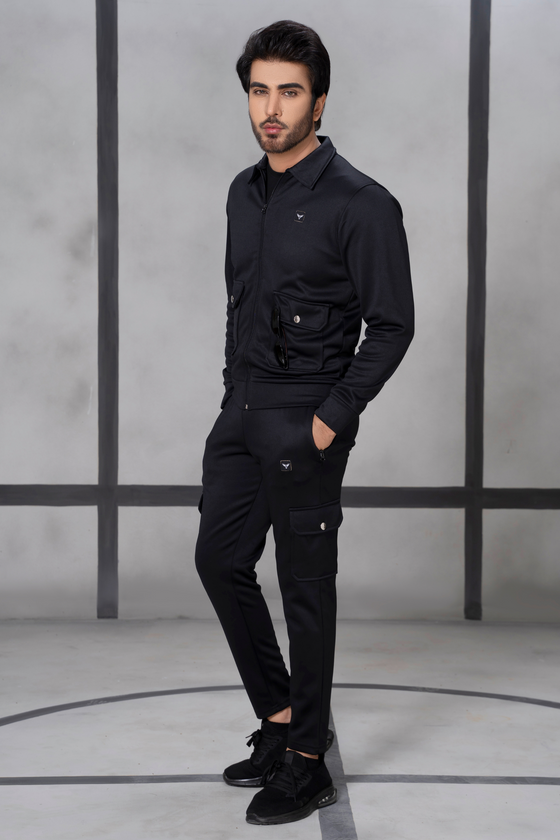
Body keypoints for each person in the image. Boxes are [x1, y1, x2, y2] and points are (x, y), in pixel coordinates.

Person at [195, 19, 414, 826]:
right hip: (243, 410)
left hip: (307, 415)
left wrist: (330, 420)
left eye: (289, 92)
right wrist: (232, 393)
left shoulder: (362, 203)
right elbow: (239, 302)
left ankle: (309, 762)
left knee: (304, 588)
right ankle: (282, 718)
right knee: (220, 559)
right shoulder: (242, 192)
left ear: (319, 101)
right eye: (260, 91)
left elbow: (393, 325)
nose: (272, 108)